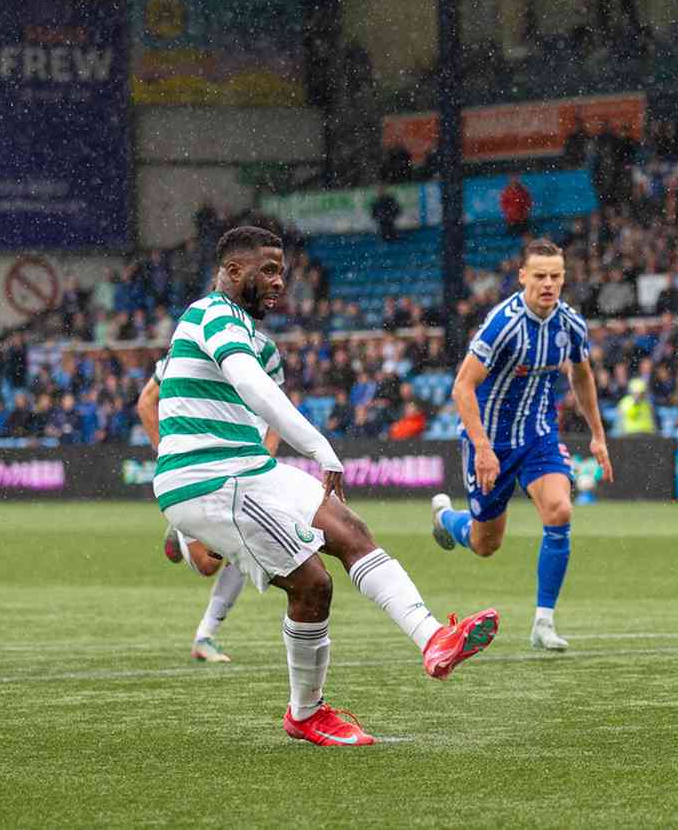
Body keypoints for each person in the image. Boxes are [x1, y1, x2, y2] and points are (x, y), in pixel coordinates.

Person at [154, 226, 498, 745]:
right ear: (231, 272)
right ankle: (306, 713)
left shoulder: (260, 343)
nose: (278, 281)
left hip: (247, 469)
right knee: (313, 584)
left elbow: (259, 403)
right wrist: (319, 448)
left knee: (348, 526)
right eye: (266, 270)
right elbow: (248, 385)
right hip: (209, 477)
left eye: (281, 271)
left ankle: (434, 639)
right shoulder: (210, 313)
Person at [430, 237, 613, 651]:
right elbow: (463, 386)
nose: (548, 284)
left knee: (560, 509)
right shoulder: (503, 324)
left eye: (555, 276)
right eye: (540, 276)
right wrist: (481, 446)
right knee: (484, 544)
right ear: (522, 277)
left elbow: (581, 377)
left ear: (564, 278)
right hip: (491, 443)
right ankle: (446, 520)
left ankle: (543, 622)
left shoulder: (571, 325)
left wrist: (598, 435)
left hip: (539, 436)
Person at [137, 341, 284, 664]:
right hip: (198, 465)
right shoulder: (189, 346)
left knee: (246, 548)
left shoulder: (266, 350)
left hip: (244, 462)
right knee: (208, 565)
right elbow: (146, 402)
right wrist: (170, 458)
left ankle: (205, 637)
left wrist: (265, 463)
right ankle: (184, 529)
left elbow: (276, 411)